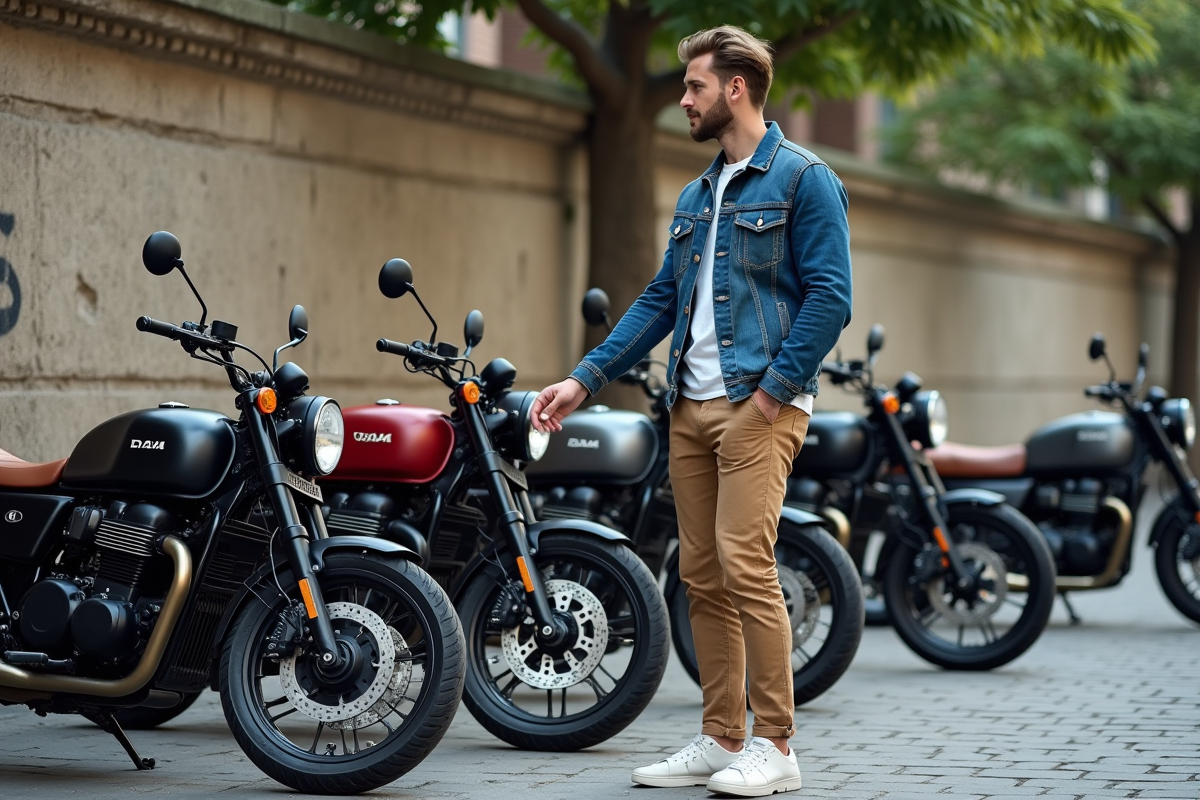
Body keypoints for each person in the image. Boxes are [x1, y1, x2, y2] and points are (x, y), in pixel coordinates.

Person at [531, 25, 852, 798]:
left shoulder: (804, 179)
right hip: (689, 406)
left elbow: (831, 298)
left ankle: (776, 745)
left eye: (695, 87)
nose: (683, 100)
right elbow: (660, 298)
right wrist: (584, 379)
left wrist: (770, 396)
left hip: (757, 406)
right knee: (701, 576)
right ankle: (722, 736)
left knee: (746, 566)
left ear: (735, 89)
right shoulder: (698, 193)